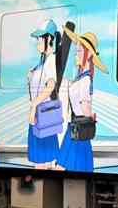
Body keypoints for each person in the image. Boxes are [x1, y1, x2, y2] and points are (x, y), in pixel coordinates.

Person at [55, 31, 107, 172]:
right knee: (72, 167)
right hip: (76, 128)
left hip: (78, 128)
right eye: (76, 50)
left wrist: (89, 115)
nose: (76, 54)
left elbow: (85, 104)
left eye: (79, 50)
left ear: (89, 54)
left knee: (66, 166)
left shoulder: (84, 80)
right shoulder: (81, 78)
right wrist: (90, 116)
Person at [27, 19, 60, 169]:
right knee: (42, 162)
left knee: (42, 163)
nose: (38, 42)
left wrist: (34, 105)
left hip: (43, 117)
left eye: (40, 38)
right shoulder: (42, 61)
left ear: (50, 39)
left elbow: (50, 86)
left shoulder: (51, 60)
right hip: (40, 117)